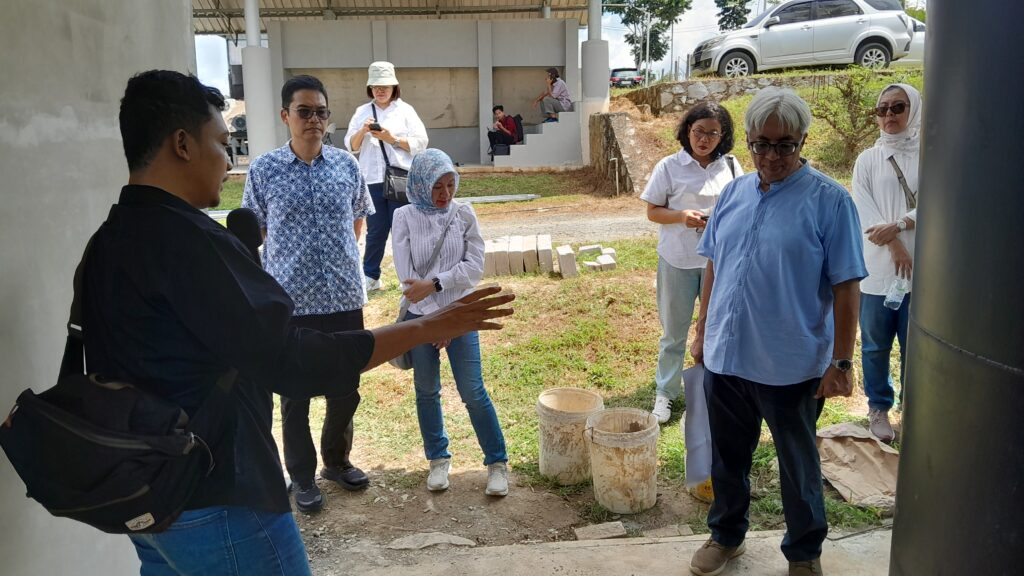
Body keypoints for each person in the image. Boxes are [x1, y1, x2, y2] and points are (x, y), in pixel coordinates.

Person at [84, 70, 514, 575]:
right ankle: (304, 475)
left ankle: (336, 460)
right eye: (221, 143)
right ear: (182, 144)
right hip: (217, 495)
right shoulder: (192, 248)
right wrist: (424, 328)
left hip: (148, 494)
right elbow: (289, 362)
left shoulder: (107, 240)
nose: (228, 161)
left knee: (342, 396)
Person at [689, 87, 867, 576]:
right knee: (727, 459)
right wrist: (702, 331)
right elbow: (713, 264)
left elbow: (847, 287)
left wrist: (842, 361)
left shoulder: (830, 201)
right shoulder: (734, 192)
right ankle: (726, 536)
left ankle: (804, 554)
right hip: (726, 357)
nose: (771, 156)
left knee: (798, 466)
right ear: (748, 140)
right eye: (761, 145)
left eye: (784, 145)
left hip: (790, 366)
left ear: (803, 141)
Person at [243, 75, 374, 513]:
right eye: (304, 111)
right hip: (290, 305)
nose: (314, 120)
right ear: (286, 116)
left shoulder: (346, 166)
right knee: (294, 395)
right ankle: (301, 476)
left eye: (321, 112)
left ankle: (336, 461)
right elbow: (257, 232)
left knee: (346, 387)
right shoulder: (264, 170)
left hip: (343, 297)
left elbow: (357, 222)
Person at [392, 149, 510, 497]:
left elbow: (474, 268)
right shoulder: (404, 217)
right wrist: (435, 321)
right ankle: (438, 459)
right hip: (421, 319)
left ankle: (497, 463)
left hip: (461, 314)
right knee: (426, 389)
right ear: (420, 184)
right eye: (436, 186)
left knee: (472, 390)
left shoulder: (463, 213)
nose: (445, 194)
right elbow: (407, 279)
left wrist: (437, 286)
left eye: (449, 184)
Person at [640, 102, 743, 424]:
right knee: (674, 333)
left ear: (723, 136)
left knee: (713, 330)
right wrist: (682, 216)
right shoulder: (670, 166)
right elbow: (653, 211)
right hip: (677, 260)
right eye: (699, 131)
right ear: (687, 131)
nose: (704, 139)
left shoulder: (731, 166)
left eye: (713, 133)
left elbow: (741, 207)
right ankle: (665, 393)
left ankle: (705, 393)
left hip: (718, 262)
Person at [850, 83, 922, 443]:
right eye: (882, 109)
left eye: (898, 107)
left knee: (916, 346)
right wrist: (894, 242)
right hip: (878, 269)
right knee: (875, 344)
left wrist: (902, 223)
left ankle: (915, 410)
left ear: (915, 109)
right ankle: (878, 407)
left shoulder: (930, 155)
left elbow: (941, 201)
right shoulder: (868, 159)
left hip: (923, 269)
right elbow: (863, 208)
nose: (889, 115)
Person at [344, 61, 428, 292]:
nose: (380, 90)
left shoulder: (405, 110)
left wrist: (392, 139)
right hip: (371, 179)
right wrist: (363, 131)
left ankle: (408, 277)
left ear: (394, 87)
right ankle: (371, 275)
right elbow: (351, 146)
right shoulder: (362, 112)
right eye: (375, 86)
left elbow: (421, 143)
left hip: (400, 178)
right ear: (370, 88)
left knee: (404, 230)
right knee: (376, 230)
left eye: (385, 86)